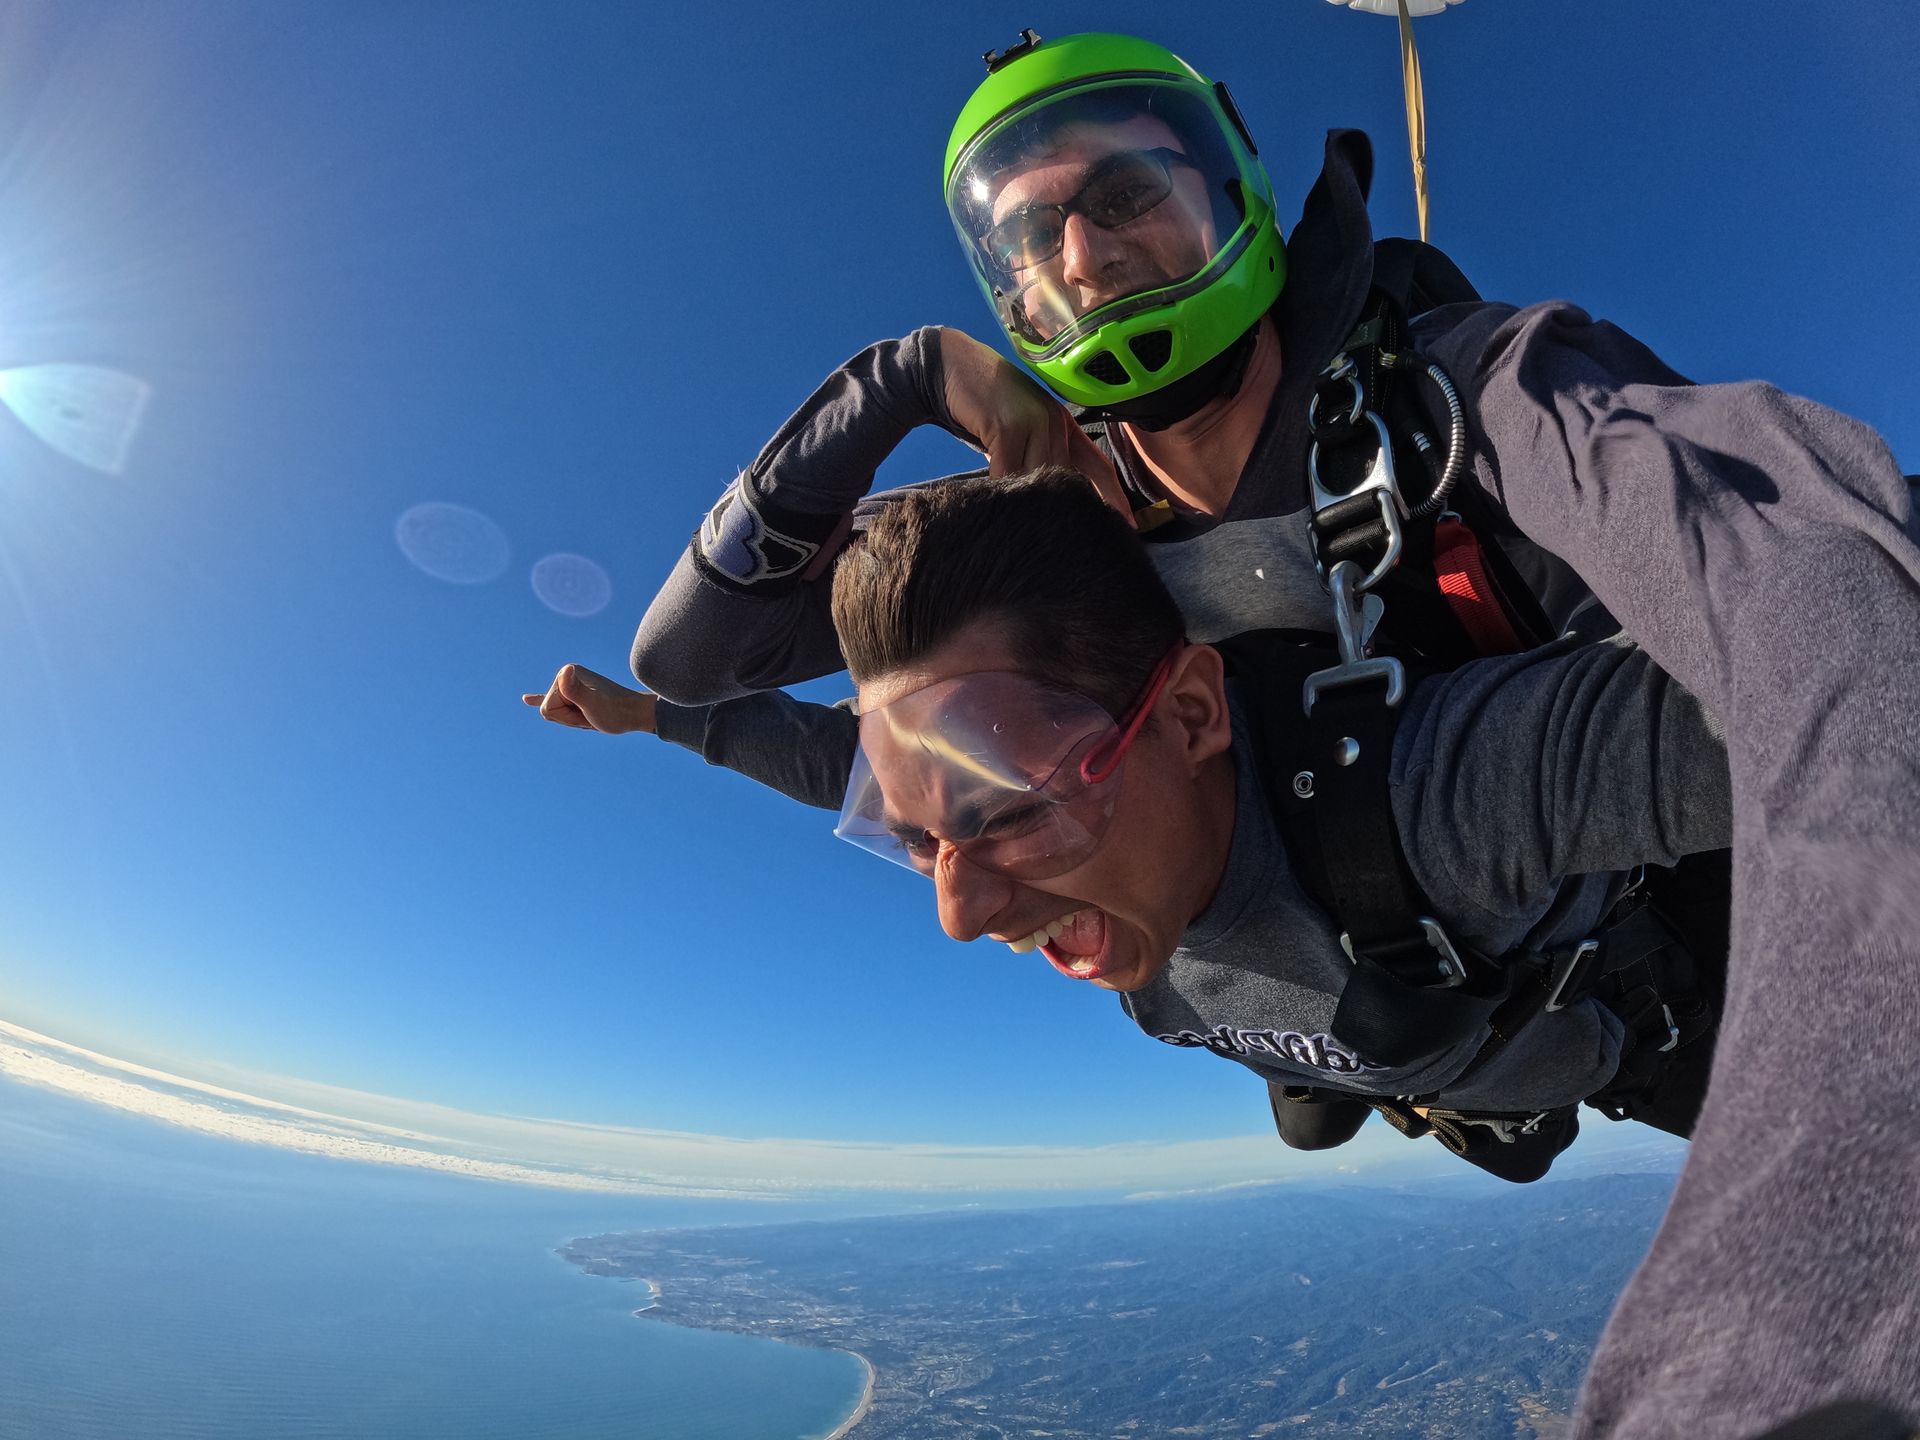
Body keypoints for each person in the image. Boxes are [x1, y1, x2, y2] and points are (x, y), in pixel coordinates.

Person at [533, 30, 1920, 1437]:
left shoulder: (1475, 400)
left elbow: (1806, 588)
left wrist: (1799, 1314)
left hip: (1619, 935)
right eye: (1027, 236)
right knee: (1309, 1036)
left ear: (1229, 192)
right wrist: (905, 379)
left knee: (1371, 931)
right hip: (1358, 962)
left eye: (1124, 193)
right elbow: (719, 671)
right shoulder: (1049, 548)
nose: (1080, 258)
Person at [825, 468, 1728, 1181]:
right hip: (1443, 1066)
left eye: (1018, 813)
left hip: (1669, 1051)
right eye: (912, 839)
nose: (960, 912)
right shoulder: (1101, 883)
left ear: (1188, 716)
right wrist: (915, 378)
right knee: (1314, 1121)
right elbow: (691, 681)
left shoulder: (1435, 802)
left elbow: (1824, 708)